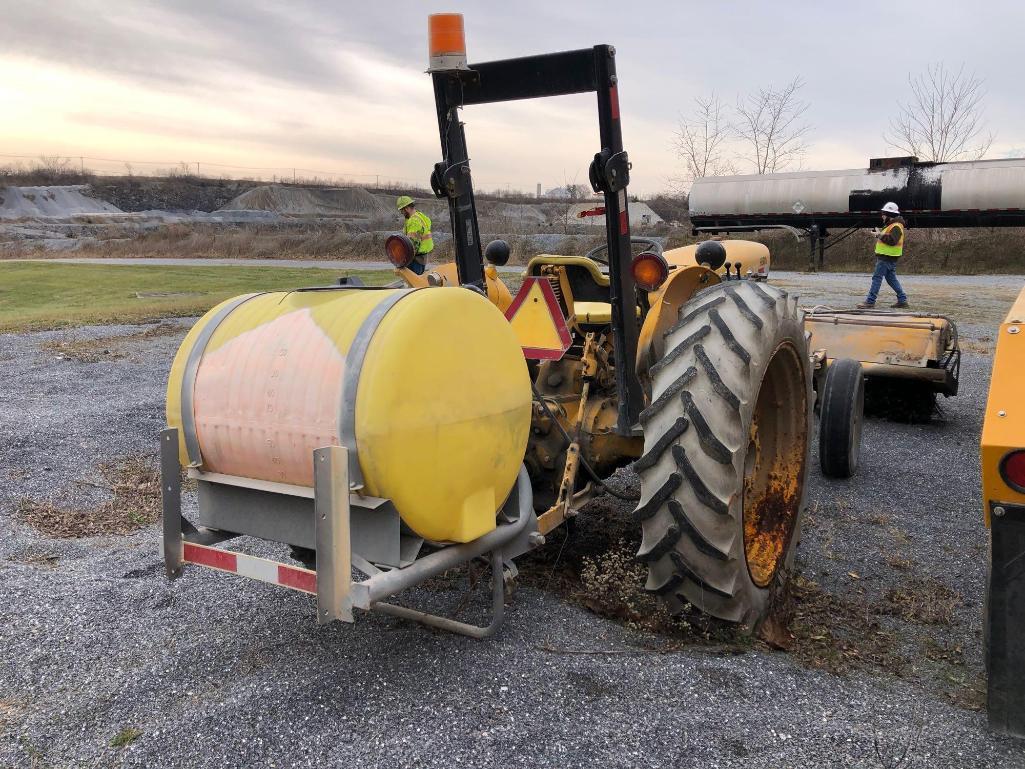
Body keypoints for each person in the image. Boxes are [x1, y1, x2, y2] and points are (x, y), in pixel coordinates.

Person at [858, 201, 909, 309]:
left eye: (883, 214)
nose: (882, 216)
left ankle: (870, 301)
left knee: (877, 278)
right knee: (891, 279)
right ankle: (902, 300)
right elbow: (888, 238)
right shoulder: (893, 225)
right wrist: (879, 234)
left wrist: (879, 235)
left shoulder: (896, 226)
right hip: (889, 257)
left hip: (886, 257)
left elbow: (892, 240)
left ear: (889, 215)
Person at [395, 195, 433, 275]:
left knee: (413, 284)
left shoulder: (413, 221)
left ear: (407, 208)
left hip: (415, 260)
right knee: (418, 280)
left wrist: (404, 259)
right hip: (422, 257)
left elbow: (412, 243)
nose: (402, 213)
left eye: (402, 210)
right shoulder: (421, 216)